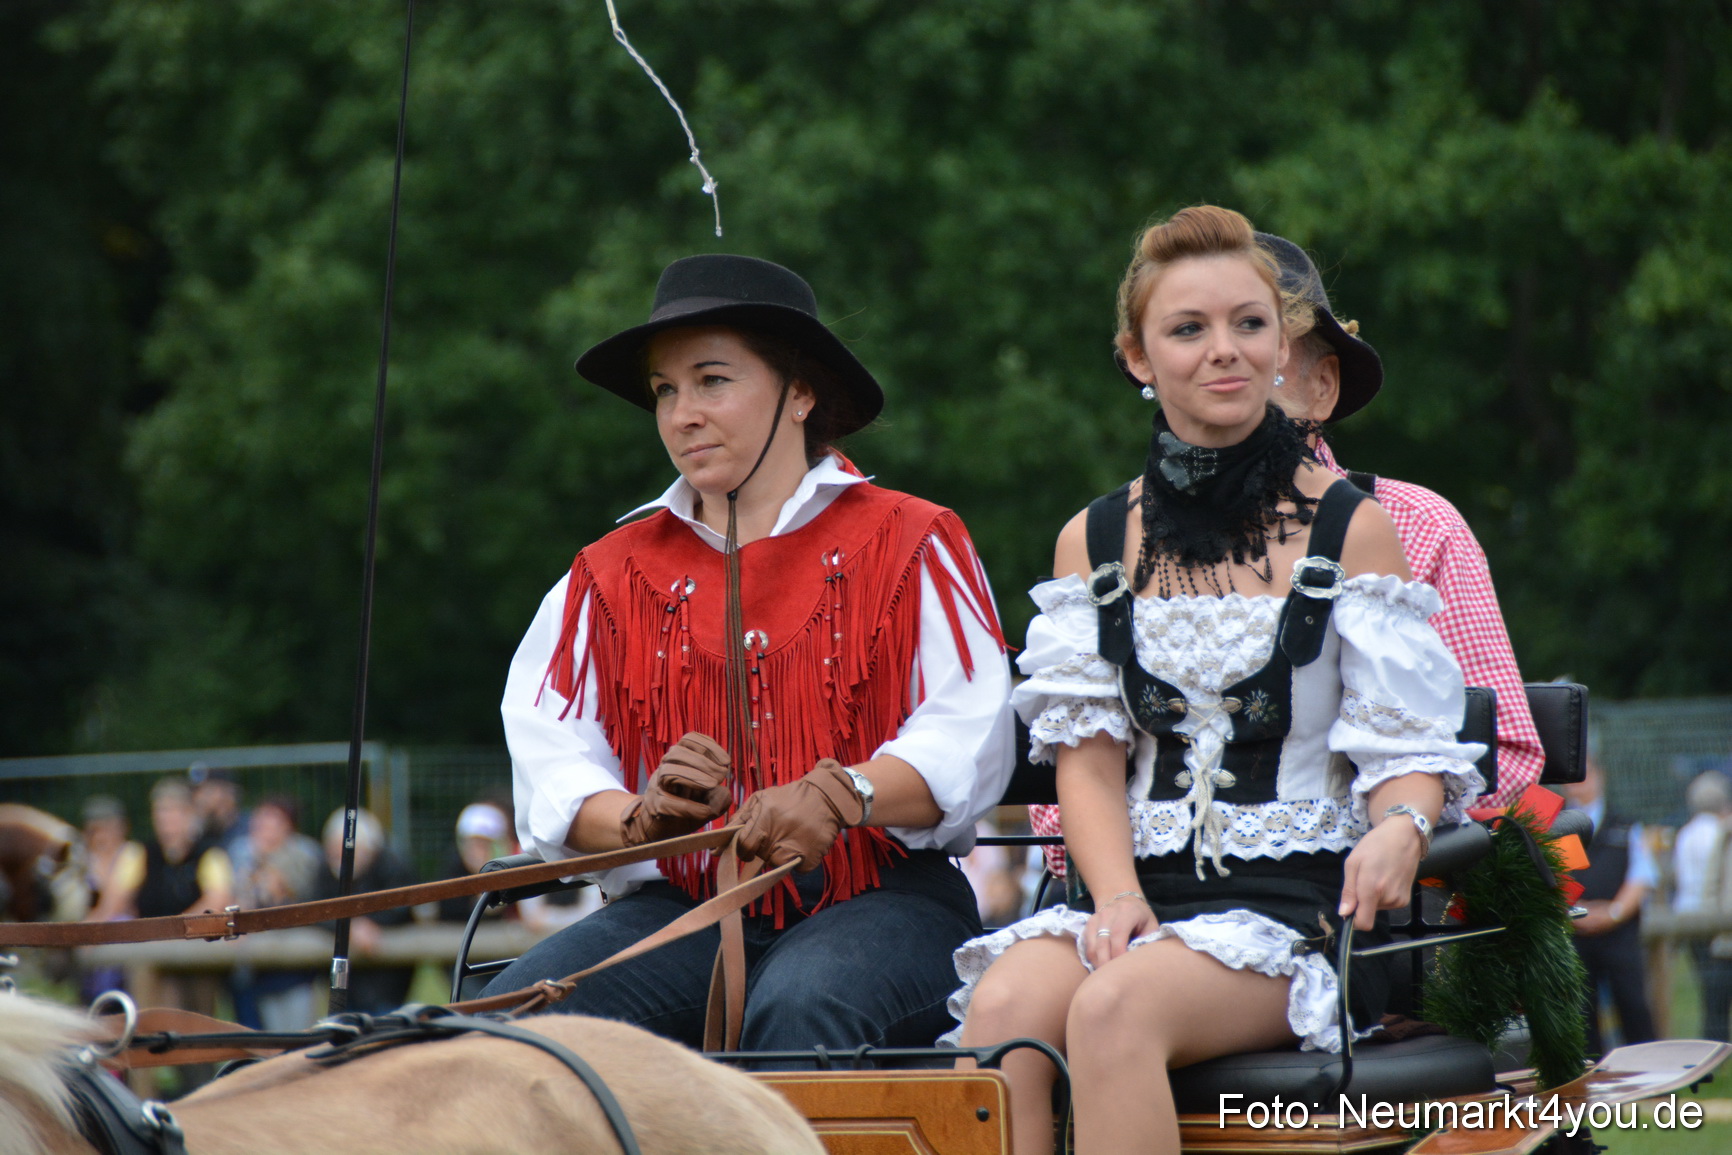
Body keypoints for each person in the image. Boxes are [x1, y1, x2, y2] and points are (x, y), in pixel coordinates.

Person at [945, 207, 1484, 1155]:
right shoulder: (1095, 538)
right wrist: (1114, 900)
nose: (1222, 351)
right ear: (1137, 357)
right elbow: (1088, 761)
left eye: (1248, 323)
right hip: (1133, 892)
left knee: (1114, 1008)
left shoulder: (1350, 526)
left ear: (1283, 345)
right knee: (1008, 1008)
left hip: (1301, 911)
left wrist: (1402, 823)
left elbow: (1405, 743)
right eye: (1187, 329)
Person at [485, 254, 1015, 1056]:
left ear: (801, 392)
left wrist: (847, 794)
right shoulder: (606, 572)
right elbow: (552, 762)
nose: (683, 413)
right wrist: (639, 819)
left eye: (711, 380)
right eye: (665, 390)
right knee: (501, 1027)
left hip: (884, 896)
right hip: (681, 908)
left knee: (801, 1009)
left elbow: (970, 737)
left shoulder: (915, 539)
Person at [1562, 755, 1659, 1055]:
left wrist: (1614, 913)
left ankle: (1648, 1076)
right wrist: (1572, 914)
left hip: (1619, 934)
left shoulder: (1625, 825)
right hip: (1573, 934)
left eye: (1586, 774)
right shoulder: (1558, 827)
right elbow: (1551, 876)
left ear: (1600, 776)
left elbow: (1641, 876)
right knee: (1580, 1010)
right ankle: (1590, 1085)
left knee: (1632, 1003)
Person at [313, 808, 420, 1015]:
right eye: (332, 849)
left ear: (370, 850)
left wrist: (369, 924)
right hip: (345, 982)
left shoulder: (393, 866)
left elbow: (402, 909)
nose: (338, 856)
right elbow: (312, 908)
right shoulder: (325, 869)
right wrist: (349, 925)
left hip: (389, 978)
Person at [232, 797, 324, 1031]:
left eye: (273, 825)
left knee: (297, 1040)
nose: (265, 832)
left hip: (296, 965)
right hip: (257, 970)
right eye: (260, 825)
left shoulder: (303, 855)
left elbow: (278, 896)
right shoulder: (244, 857)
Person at [1673, 768, 1732, 1042]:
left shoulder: (1685, 833)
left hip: (1685, 915)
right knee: (1717, 987)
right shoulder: (1718, 833)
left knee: (1707, 984)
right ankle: (1716, 1043)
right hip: (1712, 919)